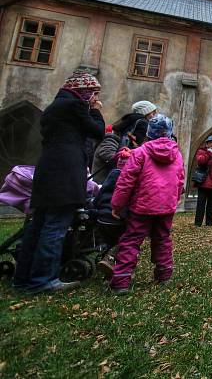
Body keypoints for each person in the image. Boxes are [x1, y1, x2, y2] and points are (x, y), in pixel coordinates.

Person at [12, 71, 105, 294]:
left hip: (48, 168)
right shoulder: (74, 106)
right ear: (85, 92)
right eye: (93, 93)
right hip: (65, 171)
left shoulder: (55, 106)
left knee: (38, 225)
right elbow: (98, 131)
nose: (94, 97)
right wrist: (95, 110)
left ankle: (23, 278)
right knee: (56, 226)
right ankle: (43, 280)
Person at [109, 115, 184, 294]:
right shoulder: (177, 154)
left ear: (149, 133)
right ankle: (164, 274)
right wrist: (176, 198)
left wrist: (117, 204)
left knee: (131, 240)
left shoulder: (141, 152)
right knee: (162, 239)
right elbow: (180, 179)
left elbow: (126, 180)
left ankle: (121, 280)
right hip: (166, 206)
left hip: (143, 204)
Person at [91, 100, 158, 183]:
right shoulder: (112, 137)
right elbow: (107, 155)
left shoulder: (125, 139)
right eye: (153, 113)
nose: (155, 116)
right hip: (102, 187)